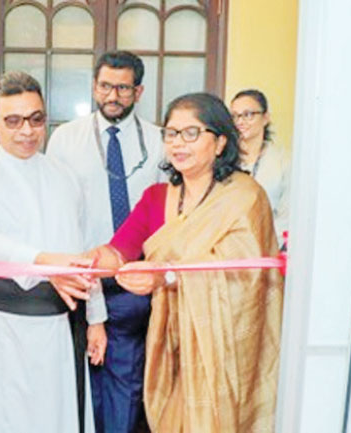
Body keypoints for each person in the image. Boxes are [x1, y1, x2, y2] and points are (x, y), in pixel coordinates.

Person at [92, 93, 284, 432]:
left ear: (220, 142)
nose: (178, 143)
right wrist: (84, 262)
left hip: (227, 349)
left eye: (191, 133)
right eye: (171, 133)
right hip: (171, 346)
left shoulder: (246, 197)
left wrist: (166, 277)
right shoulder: (157, 198)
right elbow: (119, 250)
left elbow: (246, 274)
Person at [0, 71, 108, 433]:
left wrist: (96, 319)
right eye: (14, 121)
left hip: (55, 329)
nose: (27, 131)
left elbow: (84, 251)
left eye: (36, 119)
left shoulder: (65, 176)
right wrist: (46, 263)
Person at [47, 50, 164, 433]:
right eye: (105, 86)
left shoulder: (160, 141)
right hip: (81, 278)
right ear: (94, 86)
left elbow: (166, 213)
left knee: (126, 383)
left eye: (123, 88)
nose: (113, 96)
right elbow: (56, 210)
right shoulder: (65, 139)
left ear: (138, 91)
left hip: (134, 280)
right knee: (80, 383)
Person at [230, 89, 290, 245]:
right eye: (235, 116)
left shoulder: (283, 162)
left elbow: (287, 215)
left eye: (248, 114)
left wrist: (264, 246)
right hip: (230, 248)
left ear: (265, 118)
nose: (240, 121)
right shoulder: (224, 160)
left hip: (269, 245)